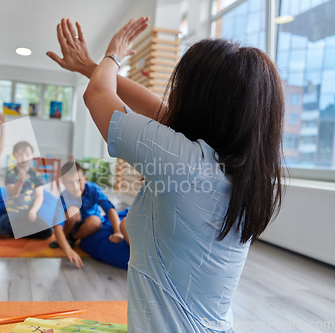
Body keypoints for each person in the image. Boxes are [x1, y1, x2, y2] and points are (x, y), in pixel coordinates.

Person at [48, 18, 284, 332]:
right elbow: (159, 111)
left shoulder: (187, 163)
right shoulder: (236, 167)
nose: (172, 96)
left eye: (180, 88)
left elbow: (97, 96)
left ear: (201, 103)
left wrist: (113, 56)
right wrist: (89, 66)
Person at [50, 161, 123, 268]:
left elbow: (110, 210)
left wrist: (118, 232)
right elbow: (57, 227)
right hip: (71, 224)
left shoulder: (93, 189)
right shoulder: (63, 197)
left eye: (79, 180)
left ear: (84, 179)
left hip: (88, 225)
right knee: (73, 211)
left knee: (96, 221)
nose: (76, 186)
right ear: (64, 184)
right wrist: (68, 250)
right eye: (70, 183)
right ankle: (65, 239)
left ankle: (72, 239)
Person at [0, 141, 53, 240]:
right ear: (14, 156)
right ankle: (21, 231)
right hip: (13, 212)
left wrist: (33, 211)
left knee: (47, 232)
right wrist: (20, 181)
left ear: (32, 156)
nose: (24, 158)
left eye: (27, 155)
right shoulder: (10, 173)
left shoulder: (35, 175)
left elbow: (39, 196)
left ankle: (17, 232)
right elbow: (13, 194)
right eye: (20, 155)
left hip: (29, 212)